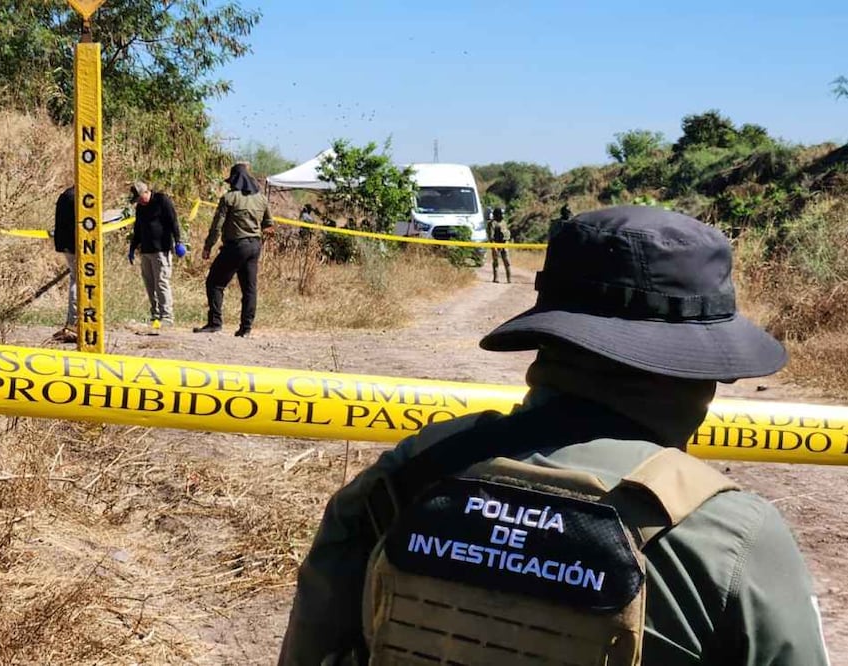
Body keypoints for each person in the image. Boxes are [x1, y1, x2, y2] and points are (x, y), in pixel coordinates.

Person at [278, 206, 830, 665]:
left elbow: (313, 648)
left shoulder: (406, 475)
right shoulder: (730, 535)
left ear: (551, 339)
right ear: (695, 372)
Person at [193, 163, 274, 338]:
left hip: (236, 246)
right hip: (254, 246)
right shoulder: (261, 199)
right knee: (249, 289)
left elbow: (217, 226)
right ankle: (246, 328)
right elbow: (269, 225)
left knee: (215, 283)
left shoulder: (229, 198)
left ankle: (215, 323)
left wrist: (208, 246)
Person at [127, 180, 184, 327]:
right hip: (146, 250)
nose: (139, 201)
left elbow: (173, 221)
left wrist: (178, 241)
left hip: (161, 250)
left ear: (146, 192)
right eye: (137, 200)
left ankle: (167, 316)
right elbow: (138, 228)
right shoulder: (140, 207)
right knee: (150, 284)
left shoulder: (162, 200)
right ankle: (156, 315)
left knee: (162, 283)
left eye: (140, 198)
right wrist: (133, 247)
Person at [50, 186, 78, 343]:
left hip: (65, 243)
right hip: (76, 244)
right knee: (79, 281)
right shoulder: (78, 197)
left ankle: (73, 322)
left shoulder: (65, 195)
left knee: (76, 279)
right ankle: (74, 323)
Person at [490, 206, 512, 283]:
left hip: (504, 244)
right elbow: (491, 236)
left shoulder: (504, 222)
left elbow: (506, 234)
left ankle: (509, 279)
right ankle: (496, 278)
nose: (502, 215)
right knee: (496, 262)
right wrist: (494, 247)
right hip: (496, 244)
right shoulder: (493, 223)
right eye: (501, 214)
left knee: (507, 262)